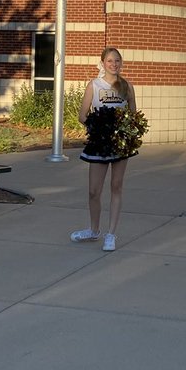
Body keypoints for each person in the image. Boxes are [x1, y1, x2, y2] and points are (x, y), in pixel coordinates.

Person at [70, 47, 137, 252]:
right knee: (93, 191)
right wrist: (98, 127)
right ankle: (94, 230)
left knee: (116, 186)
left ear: (121, 63)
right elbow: (82, 115)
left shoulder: (127, 86)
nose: (114, 64)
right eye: (110, 61)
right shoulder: (94, 85)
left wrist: (124, 129)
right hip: (99, 143)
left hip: (119, 143)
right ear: (103, 63)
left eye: (117, 61)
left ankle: (111, 234)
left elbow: (133, 116)